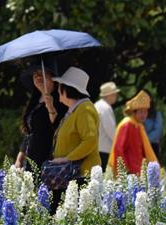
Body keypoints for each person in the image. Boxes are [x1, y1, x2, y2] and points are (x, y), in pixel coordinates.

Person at [48, 66, 99, 212]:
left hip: (79, 175)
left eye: (60, 87)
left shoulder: (85, 109)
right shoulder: (75, 109)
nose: (57, 90)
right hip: (68, 176)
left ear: (67, 89)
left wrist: (67, 158)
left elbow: (90, 140)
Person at [14, 63, 67, 174]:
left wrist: (51, 107)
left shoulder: (61, 99)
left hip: (49, 159)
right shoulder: (35, 99)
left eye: (42, 74)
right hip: (31, 157)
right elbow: (30, 132)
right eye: (34, 75)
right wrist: (20, 157)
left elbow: (60, 128)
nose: (38, 77)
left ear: (53, 78)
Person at [108, 90, 158, 176]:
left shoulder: (139, 126)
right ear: (134, 112)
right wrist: (125, 170)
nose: (144, 115)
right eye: (141, 112)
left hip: (138, 169)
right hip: (128, 171)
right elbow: (118, 148)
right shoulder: (127, 124)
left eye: (145, 112)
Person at [95, 81, 120, 169]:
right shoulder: (105, 108)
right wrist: (119, 144)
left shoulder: (97, 105)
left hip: (98, 148)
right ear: (109, 95)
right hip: (105, 149)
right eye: (114, 94)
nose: (116, 96)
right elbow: (110, 129)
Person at [142, 90, 164, 160]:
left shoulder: (156, 114)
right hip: (138, 146)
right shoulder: (135, 114)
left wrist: (145, 140)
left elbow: (158, 131)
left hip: (152, 146)